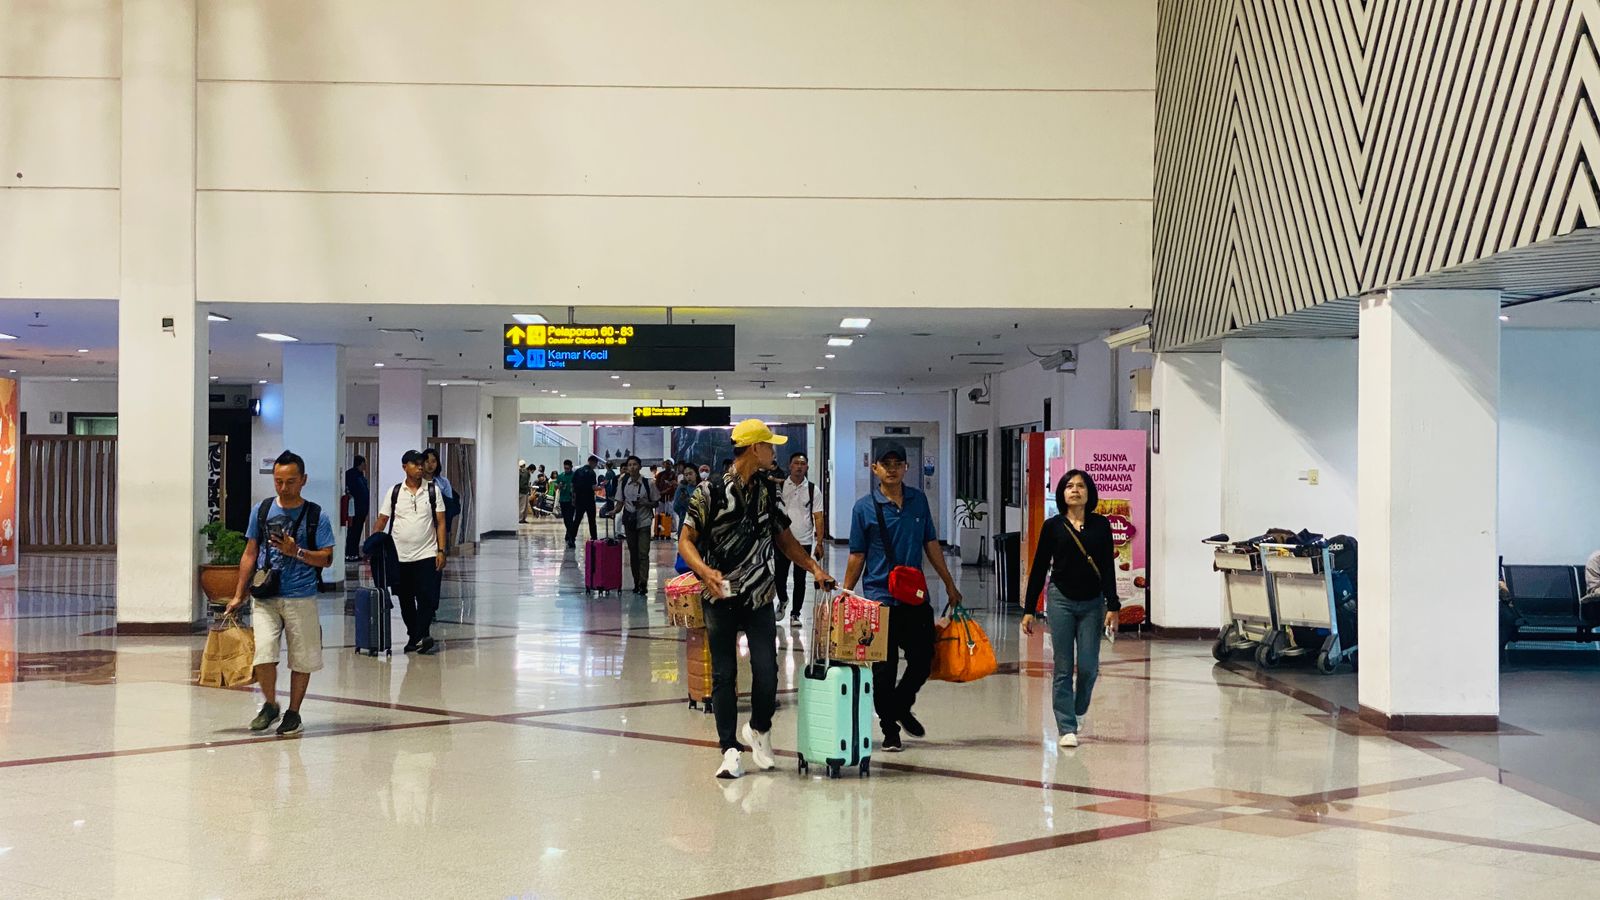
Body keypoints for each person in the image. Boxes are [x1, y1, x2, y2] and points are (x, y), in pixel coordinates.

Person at [680, 419, 834, 780]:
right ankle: (729, 749)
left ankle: (760, 728)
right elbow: (686, 540)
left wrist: (814, 568)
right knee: (724, 674)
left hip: (760, 593)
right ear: (754, 449)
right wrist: (705, 571)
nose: (774, 452)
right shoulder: (709, 491)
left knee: (767, 670)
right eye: (769, 446)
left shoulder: (768, 489)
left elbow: (784, 539)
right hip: (719, 595)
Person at [844, 443, 963, 753]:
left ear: (907, 468)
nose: (892, 468)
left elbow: (932, 543)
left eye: (898, 463)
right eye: (886, 463)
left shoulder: (918, 501)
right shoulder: (864, 508)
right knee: (884, 671)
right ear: (875, 469)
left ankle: (899, 704)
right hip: (880, 599)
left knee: (923, 660)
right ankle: (890, 728)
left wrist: (950, 583)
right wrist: (845, 593)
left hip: (914, 596)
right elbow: (857, 555)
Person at [226, 450, 336, 737]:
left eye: (290, 482)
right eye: (278, 481)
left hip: (301, 595)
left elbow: (326, 558)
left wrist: (296, 551)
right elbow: (250, 552)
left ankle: (294, 712)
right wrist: (238, 594)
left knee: (302, 658)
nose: (283, 488)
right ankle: (271, 704)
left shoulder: (316, 515)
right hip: (265, 594)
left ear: (303, 481)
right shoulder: (261, 511)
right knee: (263, 653)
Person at [1021, 469, 1120, 748]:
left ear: (1089, 493)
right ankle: (1066, 726)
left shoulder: (1101, 525)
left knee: (1089, 666)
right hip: (1061, 599)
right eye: (1069, 486)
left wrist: (1113, 604)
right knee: (1064, 666)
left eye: (1080, 486)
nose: (1075, 490)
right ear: (1062, 493)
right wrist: (1029, 608)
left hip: (1092, 603)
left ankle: (1077, 711)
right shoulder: (1053, 526)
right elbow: (1039, 567)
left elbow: (1107, 568)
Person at [373, 449, 449, 655]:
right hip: (400, 555)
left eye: (421, 464)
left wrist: (441, 550)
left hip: (427, 553)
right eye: (415, 464)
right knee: (405, 598)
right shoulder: (395, 492)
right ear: (404, 467)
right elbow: (382, 520)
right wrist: (374, 544)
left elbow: (440, 522)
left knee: (427, 598)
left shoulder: (432, 491)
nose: (420, 468)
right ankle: (415, 636)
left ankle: (419, 635)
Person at [774, 452, 825, 627]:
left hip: (804, 540)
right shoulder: (781, 487)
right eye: (796, 463)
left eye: (802, 464)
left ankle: (795, 614)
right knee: (779, 576)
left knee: (800, 579)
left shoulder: (812, 489)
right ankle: (783, 599)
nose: (799, 466)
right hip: (782, 540)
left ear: (807, 467)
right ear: (789, 466)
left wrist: (819, 542)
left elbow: (818, 516)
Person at [616, 455, 661, 594]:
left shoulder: (649, 484)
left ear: (640, 467)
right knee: (633, 554)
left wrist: (645, 503)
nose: (632, 467)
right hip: (630, 522)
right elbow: (620, 502)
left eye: (635, 464)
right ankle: (636, 582)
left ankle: (643, 583)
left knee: (643, 553)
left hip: (644, 522)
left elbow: (656, 502)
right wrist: (613, 511)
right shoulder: (623, 483)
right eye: (629, 465)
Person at [344, 455, 369, 562]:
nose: (366, 465)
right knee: (352, 532)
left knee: (358, 531)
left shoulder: (361, 475)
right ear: (361, 463)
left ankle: (355, 553)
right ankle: (349, 554)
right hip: (354, 510)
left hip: (362, 509)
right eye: (364, 463)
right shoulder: (350, 474)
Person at [570, 455, 600, 545]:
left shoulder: (578, 471)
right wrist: (601, 487)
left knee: (577, 520)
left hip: (579, 500)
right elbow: (594, 487)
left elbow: (572, 485)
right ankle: (594, 539)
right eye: (595, 464)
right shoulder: (592, 473)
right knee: (592, 521)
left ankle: (571, 539)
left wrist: (573, 498)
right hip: (589, 500)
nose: (595, 466)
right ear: (593, 462)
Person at [553, 459, 577, 545]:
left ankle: (571, 537)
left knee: (570, 518)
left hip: (572, 500)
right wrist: (558, 486)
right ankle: (569, 533)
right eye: (565, 468)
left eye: (568, 468)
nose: (566, 470)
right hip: (563, 500)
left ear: (571, 467)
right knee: (566, 519)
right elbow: (555, 487)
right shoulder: (561, 476)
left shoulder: (575, 476)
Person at [672, 466, 699, 537]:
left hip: (699, 524)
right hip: (685, 522)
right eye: (686, 475)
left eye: (690, 474)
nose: (688, 477)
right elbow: (676, 507)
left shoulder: (701, 486)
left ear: (696, 474)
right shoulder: (682, 488)